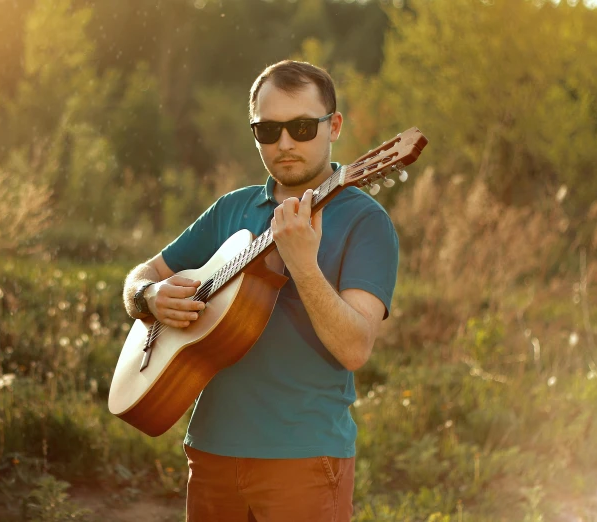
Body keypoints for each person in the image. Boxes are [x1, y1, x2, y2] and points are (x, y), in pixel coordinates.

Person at [122, 60, 398, 522]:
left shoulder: (366, 222)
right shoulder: (233, 208)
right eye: (267, 130)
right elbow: (139, 276)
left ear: (335, 127)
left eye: (302, 127)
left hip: (305, 460)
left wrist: (303, 267)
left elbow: (355, 348)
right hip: (210, 452)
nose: (284, 143)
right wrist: (149, 297)